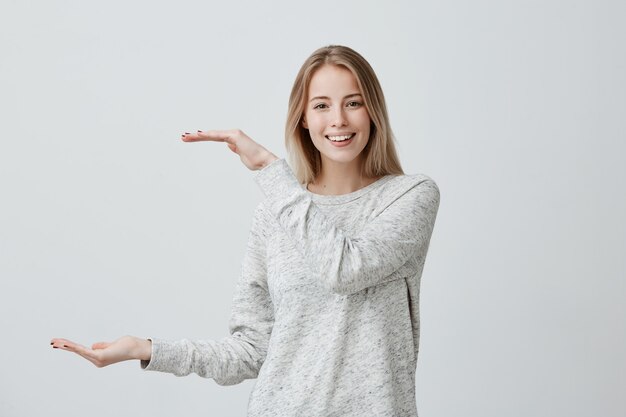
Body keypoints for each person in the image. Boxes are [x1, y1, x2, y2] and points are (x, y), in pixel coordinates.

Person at [51, 44, 441, 417]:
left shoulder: (409, 197)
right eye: (321, 105)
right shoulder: (273, 216)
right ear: (303, 118)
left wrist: (271, 171)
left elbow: (345, 270)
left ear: (373, 110)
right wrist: (147, 349)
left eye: (353, 103)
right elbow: (252, 350)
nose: (338, 119)